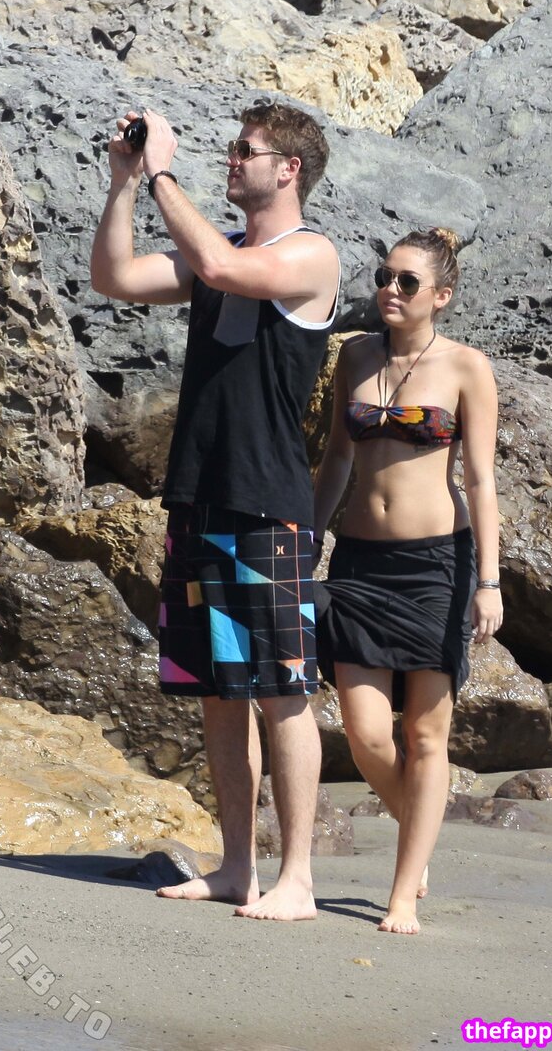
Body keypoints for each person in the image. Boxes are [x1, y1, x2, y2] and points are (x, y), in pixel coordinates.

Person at [91, 100, 340, 921]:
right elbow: (114, 279)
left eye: (246, 150)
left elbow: (228, 272)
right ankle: (237, 867)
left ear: (289, 168)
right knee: (218, 692)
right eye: (232, 149)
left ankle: (297, 878)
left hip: (267, 503)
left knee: (283, 691)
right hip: (198, 495)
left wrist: (164, 169)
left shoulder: (311, 254)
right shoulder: (219, 248)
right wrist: (126, 182)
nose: (232, 160)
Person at [313, 228, 502, 934]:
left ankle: (401, 894)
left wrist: (489, 581)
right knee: (366, 735)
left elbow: (480, 481)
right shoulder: (355, 356)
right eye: (384, 276)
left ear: (441, 296)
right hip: (359, 564)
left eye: (408, 282)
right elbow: (336, 458)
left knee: (425, 735)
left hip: (436, 568)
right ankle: (417, 832)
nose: (390, 290)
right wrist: (307, 539)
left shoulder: (466, 367)